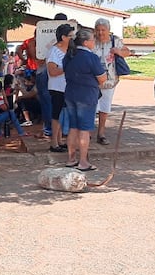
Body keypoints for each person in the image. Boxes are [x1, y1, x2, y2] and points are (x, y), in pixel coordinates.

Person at [63, 29, 107, 171]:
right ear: (86, 42)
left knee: (73, 127)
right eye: (93, 40)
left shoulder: (68, 56)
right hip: (87, 95)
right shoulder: (91, 57)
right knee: (84, 129)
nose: (94, 42)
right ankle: (83, 162)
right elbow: (102, 78)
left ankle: (71, 159)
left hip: (70, 94)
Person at [91, 18, 131, 145]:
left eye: (103, 30)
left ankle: (101, 133)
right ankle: (88, 133)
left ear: (108, 30)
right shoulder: (91, 40)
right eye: (98, 30)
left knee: (105, 107)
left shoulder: (115, 41)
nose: (100, 33)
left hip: (110, 80)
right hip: (93, 80)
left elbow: (127, 52)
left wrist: (118, 51)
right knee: (91, 106)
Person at [18, 28, 51, 138]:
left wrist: (24, 60)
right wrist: (24, 60)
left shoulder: (37, 41)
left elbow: (19, 49)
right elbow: (19, 49)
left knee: (39, 94)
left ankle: (42, 119)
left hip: (38, 69)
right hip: (35, 69)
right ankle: (41, 119)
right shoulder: (30, 42)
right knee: (38, 93)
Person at [46, 23, 73, 153]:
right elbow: (52, 71)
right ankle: (54, 142)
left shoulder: (70, 51)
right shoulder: (53, 51)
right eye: (70, 36)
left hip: (67, 87)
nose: (72, 38)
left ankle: (60, 140)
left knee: (62, 114)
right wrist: (67, 68)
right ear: (63, 37)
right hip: (57, 87)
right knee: (56, 115)